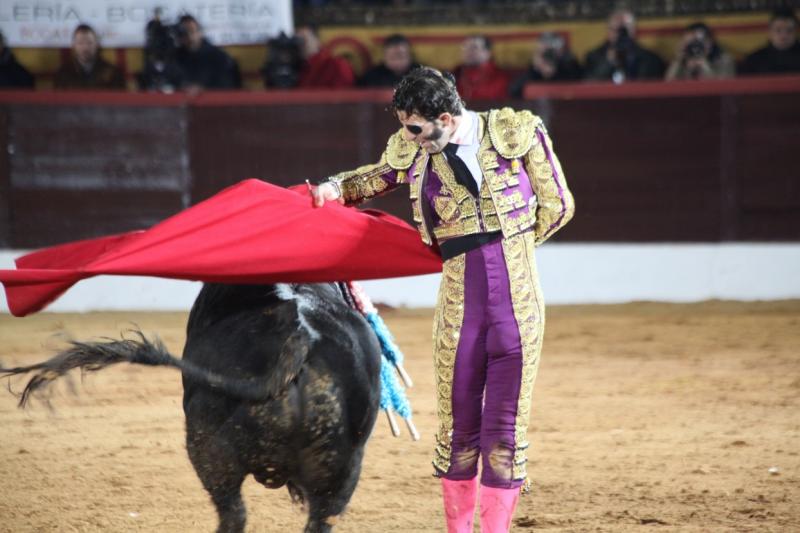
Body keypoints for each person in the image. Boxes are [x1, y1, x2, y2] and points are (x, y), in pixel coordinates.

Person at [311, 67, 574, 532]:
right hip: (460, 305)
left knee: (505, 431)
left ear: (447, 118)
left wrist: (510, 247)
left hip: (518, 304)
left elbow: (559, 206)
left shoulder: (518, 131)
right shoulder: (413, 150)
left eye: (414, 128)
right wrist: (334, 188)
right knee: (457, 430)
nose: (407, 137)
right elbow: (376, 177)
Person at [584, 7, 665, 83]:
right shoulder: (593, 57)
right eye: (617, 30)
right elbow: (587, 85)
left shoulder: (651, 59)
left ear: (634, 30)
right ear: (608, 31)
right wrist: (608, 63)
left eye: (624, 30)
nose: (620, 35)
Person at [174, 14, 241, 91]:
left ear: (200, 32)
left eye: (192, 31)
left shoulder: (219, 57)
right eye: (184, 33)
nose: (189, 36)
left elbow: (228, 85)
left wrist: (202, 88)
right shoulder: (174, 57)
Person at [508, 32, 583, 98]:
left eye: (551, 51)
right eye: (545, 51)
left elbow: (581, 88)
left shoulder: (570, 67)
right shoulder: (533, 71)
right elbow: (514, 91)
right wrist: (536, 69)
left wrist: (558, 69)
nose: (548, 55)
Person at [54, 24, 126, 90]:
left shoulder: (112, 72)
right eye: (80, 43)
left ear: (97, 45)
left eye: (89, 43)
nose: (85, 48)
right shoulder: (63, 73)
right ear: (73, 45)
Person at [739, 8, 800, 75]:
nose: (784, 35)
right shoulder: (754, 59)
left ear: (796, 32)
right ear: (770, 32)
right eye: (778, 30)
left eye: (789, 30)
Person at [665, 22, 735, 80]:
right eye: (691, 43)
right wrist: (678, 60)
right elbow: (668, 84)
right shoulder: (681, 60)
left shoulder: (724, 60)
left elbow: (723, 88)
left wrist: (704, 66)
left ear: (710, 42)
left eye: (698, 43)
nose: (695, 48)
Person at [453, 34, 511, 100]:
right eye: (465, 47)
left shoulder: (499, 77)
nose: (467, 51)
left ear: (487, 52)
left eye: (474, 47)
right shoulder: (456, 73)